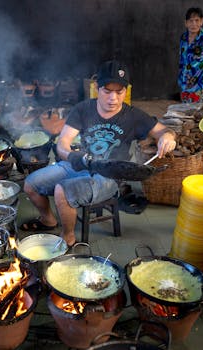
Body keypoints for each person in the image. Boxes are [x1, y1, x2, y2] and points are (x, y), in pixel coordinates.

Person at [20, 60, 177, 246]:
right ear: (97, 88)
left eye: (119, 92)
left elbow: (164, 131)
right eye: (107, 91)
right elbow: (63, 142)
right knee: (30, 184)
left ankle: (67, 237)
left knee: (62, 190)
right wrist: (72, 156)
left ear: (126, 91)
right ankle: (48, 220)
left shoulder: (134, 116)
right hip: (80, 164)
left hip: (110, 176)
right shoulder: (83, 109)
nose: (113, 98)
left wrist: (168, 137)